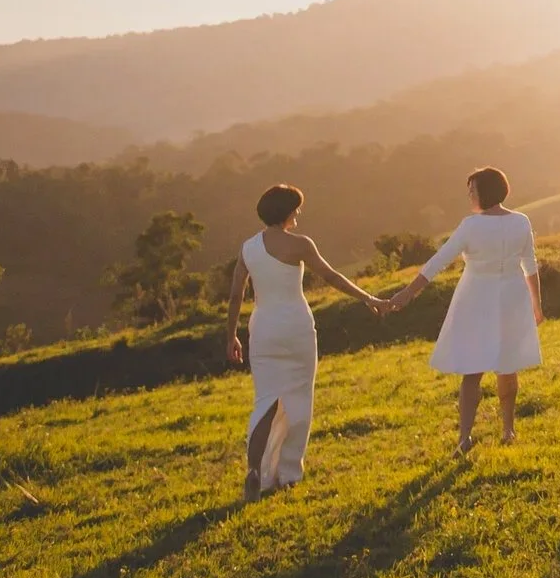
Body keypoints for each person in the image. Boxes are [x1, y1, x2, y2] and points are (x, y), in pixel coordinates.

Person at [223, 182, 391, 497]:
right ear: (287, 212)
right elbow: (331, 277)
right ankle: (287, 473)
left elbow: (235, 296)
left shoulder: (248, 248)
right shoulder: (300, 244)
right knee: (299, 399)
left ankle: (255, 471)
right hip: (296, 328)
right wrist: (368, 298)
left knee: (265, 402)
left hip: (263, 331)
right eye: (296, 207)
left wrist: (231, 334)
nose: (298, 212)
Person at [385, 165, 542, 452]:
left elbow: (438, 261)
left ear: (484, 191)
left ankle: (464, 437)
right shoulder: (521, 221)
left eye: (472, 190)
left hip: (476, 299)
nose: (469, 195)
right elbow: (529, 265)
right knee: (507, 366)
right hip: (511, 296)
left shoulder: (471, 225)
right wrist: (536, 305)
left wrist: (408, 293)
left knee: (472, 370)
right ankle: (508, 430)